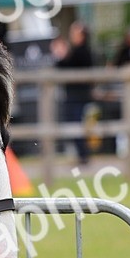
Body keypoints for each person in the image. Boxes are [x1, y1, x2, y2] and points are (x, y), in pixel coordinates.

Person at [52, 21, 94, 164]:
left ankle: (83, 156)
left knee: (76, 124)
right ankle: (82, 155)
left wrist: (60, 56)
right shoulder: (78, 51)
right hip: (75, 95)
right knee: (74, 124)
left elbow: (66, 67)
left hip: (78, 96)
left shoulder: (82, 51)